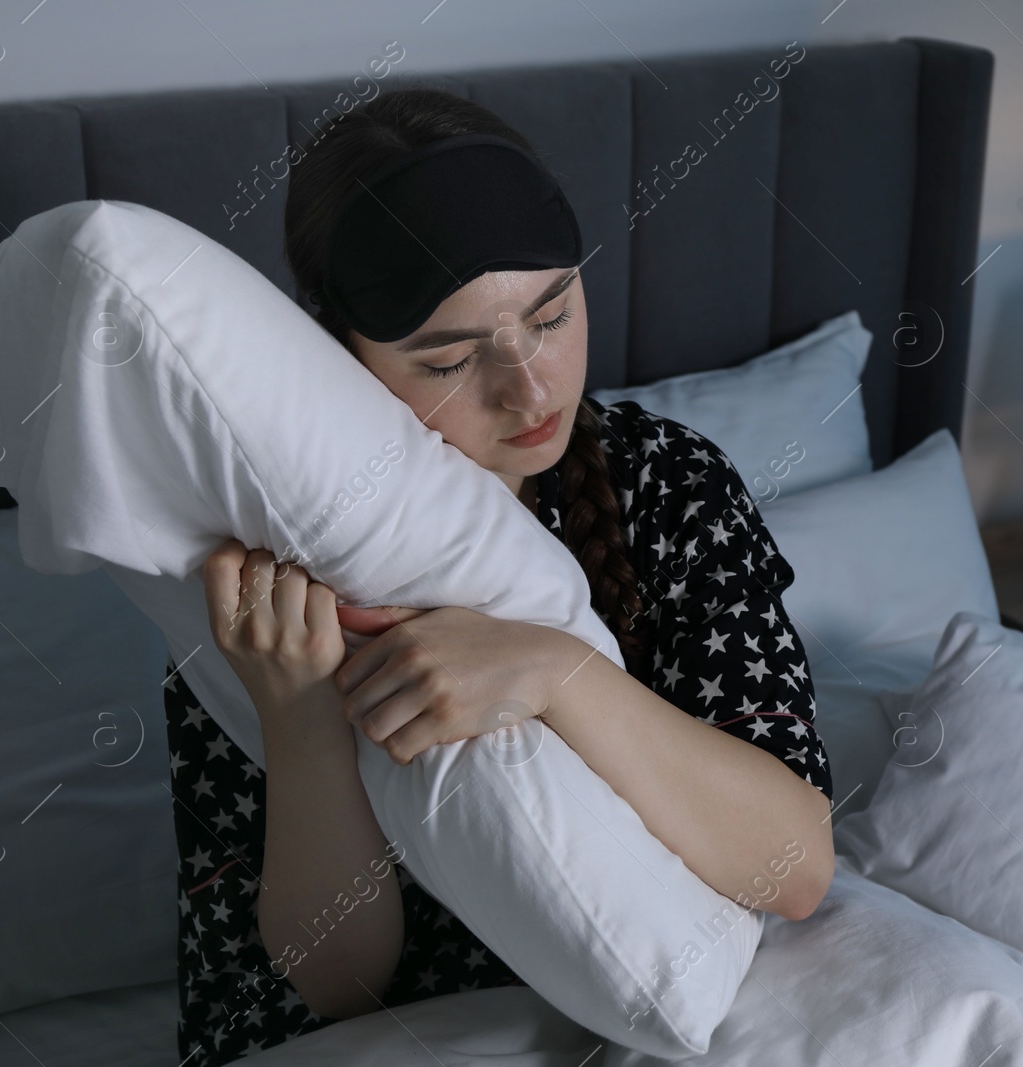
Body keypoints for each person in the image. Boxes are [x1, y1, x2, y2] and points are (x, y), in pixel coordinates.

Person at [165, 87, 835, 1066]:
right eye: (447, 357)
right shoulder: (261, 579)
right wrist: (301, 727)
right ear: (338, 358)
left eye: (551, 312)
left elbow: (795, 867)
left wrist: (558, 675)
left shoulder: (663, 483)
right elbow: (335, 981)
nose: (529, 388)